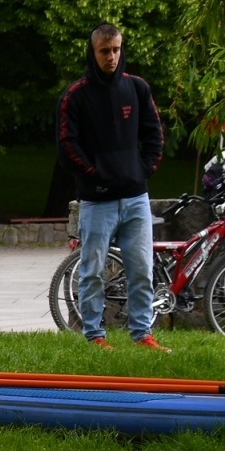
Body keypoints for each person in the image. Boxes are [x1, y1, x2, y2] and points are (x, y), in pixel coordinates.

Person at [57, 23, 168, 351]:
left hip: (135, 198)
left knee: (141, 270)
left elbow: (154, 134)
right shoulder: (76, 95)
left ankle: (142, 334)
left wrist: (142, 170)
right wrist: (94, 174)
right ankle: (94, 336)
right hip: (97, 201)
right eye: (105, 51)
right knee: (92, 272)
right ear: (93, 53)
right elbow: (66, 144)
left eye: (116, 49)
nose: (112, 56)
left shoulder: (137, 88)